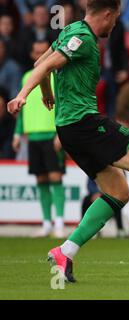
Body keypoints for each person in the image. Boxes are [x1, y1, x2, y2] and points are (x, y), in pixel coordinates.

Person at [7, 0, 129, 283]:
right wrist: (24, 93)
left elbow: (41, 63)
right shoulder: (83, 38)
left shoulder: (70, 29)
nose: (115, 25)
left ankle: (66, 251)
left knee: (119, 192)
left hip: (69, 129)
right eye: (116, 19)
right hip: (85, 123)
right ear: (108, 14)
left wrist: (46, 92)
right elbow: (47, 64)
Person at [13, 40, 66, 238]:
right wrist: (18, 133)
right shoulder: (27, 77)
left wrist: (60, 133)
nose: (39, 55)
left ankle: (59, 223)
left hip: (52, 134)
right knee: (41, 178)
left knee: (55, 176)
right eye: (36, 52)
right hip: (32, 135)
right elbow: (22, 108)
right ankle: (46, 223)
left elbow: (63, 105)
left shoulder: (57, 75)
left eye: (42, 52)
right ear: (32, 54)